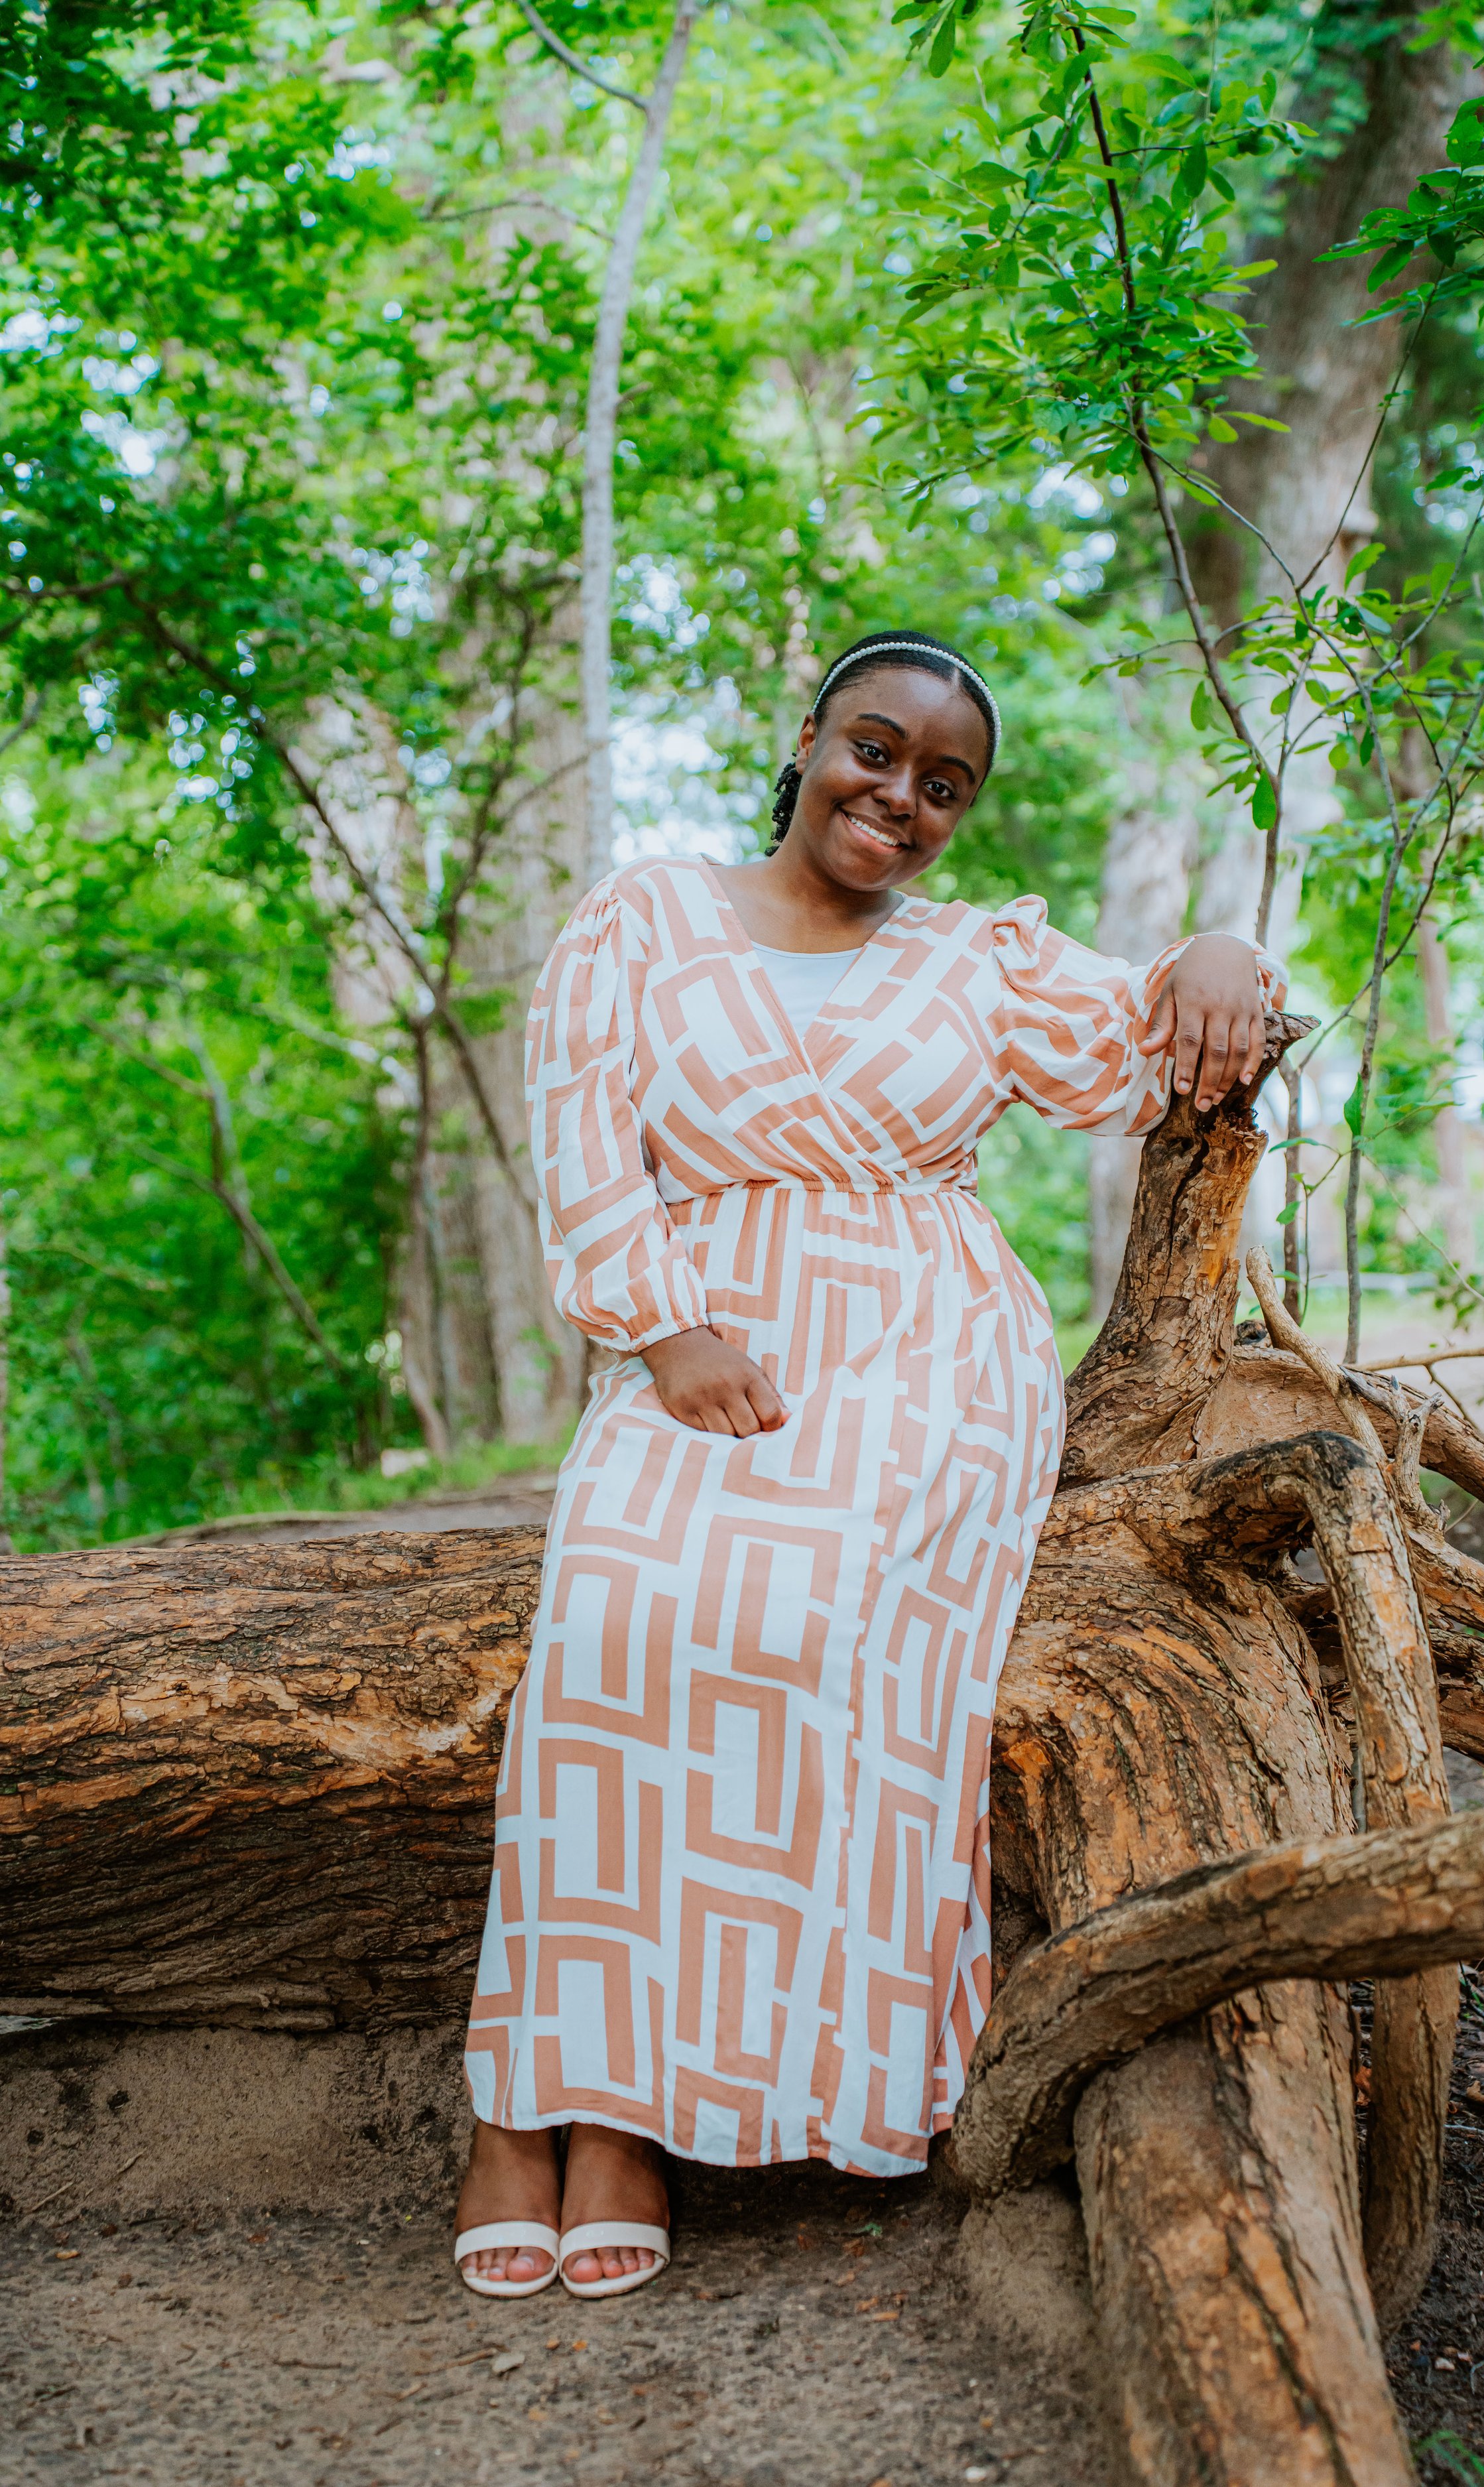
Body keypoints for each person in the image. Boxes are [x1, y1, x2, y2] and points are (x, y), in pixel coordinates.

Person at [453, 630, 1283, 2300]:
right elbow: (580, 1131)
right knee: (618, 1622)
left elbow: (1146, 1048)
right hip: (703, 1328)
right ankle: (540, 2100)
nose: (899, 798)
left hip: (927, 1360)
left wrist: (1213, 941)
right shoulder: (646, 916)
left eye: (943, 786)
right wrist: (661, 1329)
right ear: (810, 741)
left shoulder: (978, 960)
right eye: (875, 752)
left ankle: (669, 2111)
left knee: (818, 1630)